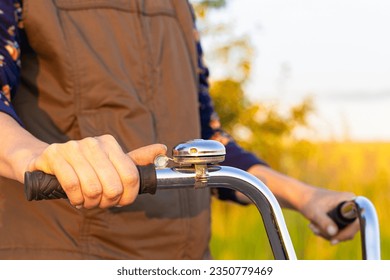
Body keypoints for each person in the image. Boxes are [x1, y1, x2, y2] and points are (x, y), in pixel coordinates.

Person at [0, 0, 358, 260]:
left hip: (187, 260)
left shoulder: (177, 7)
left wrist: (306, 197)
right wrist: (30, 155)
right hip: (67, 257)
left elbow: (206, 138)